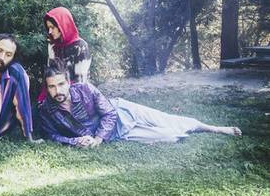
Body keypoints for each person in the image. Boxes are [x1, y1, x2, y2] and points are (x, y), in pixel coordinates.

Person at [39, 60, 242, 147]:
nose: (58, 91)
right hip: (117, 134)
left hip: (123, 111)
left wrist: (98, 139)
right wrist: (76, 141)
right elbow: (52, 135)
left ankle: (215, 129)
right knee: (171, 137)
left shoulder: (85, 89)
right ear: (47, 88)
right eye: (52, 87)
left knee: (167, 120)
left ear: (69, 82)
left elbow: (109, 114)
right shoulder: (46, 110)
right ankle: (186, 131)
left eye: (61, 84)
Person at [37, 7, 91, 104]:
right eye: (48, 28)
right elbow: (50, 74)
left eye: (52, 27)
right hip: (54, 93)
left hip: (75, 97)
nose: (50, 31)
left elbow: (81, 82)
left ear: (63, 25)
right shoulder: (53, 45)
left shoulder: (80, 46)